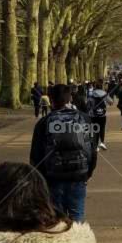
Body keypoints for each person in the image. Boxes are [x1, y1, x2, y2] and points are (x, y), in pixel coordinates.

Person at [29, 84, 98, 222]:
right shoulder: (84, 119)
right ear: (70, 98)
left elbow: (35, 156)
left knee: (55, 219)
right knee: (77, 216)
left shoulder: (44, 122)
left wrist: (42, 179)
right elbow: (92, 150)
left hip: (53, 177)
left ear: (51, 100)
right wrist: (88, 173)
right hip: (78, 175)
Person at [86, 80, 109, 151]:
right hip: (102, 115)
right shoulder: (104, 94)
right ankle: (102, 142)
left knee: (95, 130)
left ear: (95, 87)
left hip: (93, 115)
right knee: (102, 129)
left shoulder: (91, 94)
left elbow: (88, 105)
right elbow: (111, 102)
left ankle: (96, 145)